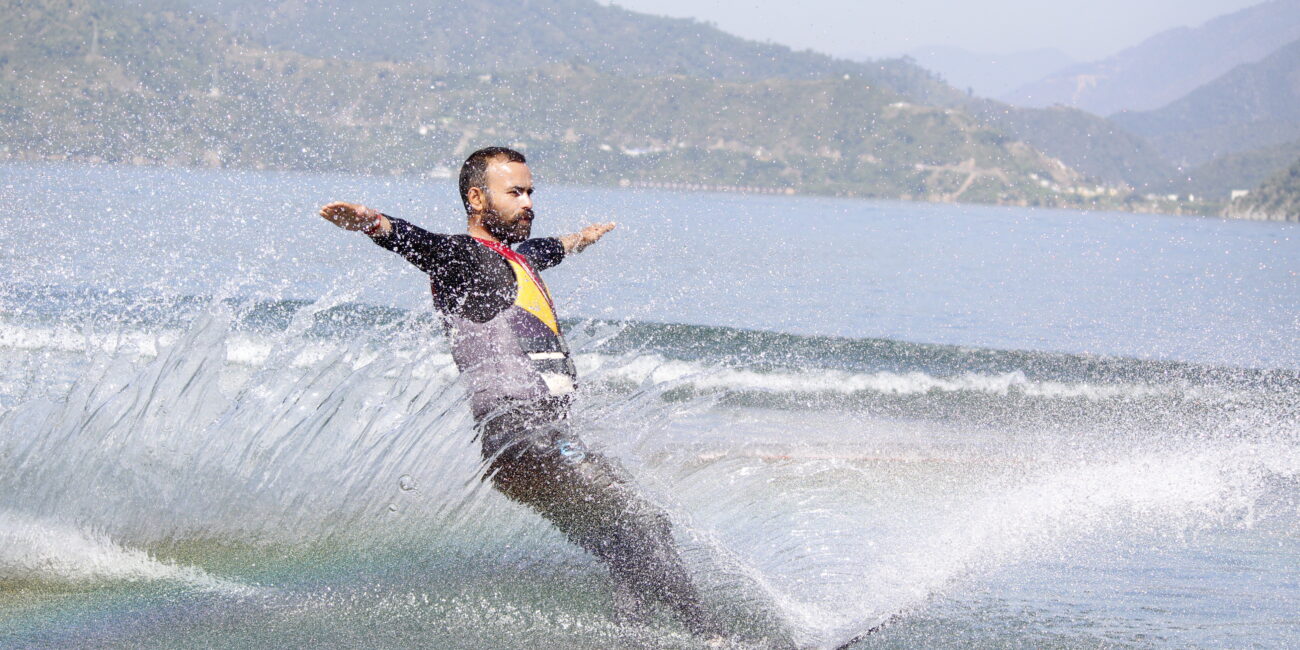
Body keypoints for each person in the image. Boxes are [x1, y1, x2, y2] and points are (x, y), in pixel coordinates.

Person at [319, 147, 720, 637]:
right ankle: (711, 637)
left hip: (537, 441)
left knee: (624, 541)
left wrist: (582, 239)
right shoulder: (463, 256)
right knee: (644, 521)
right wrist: (372, 222)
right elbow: (418, 243)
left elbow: (551, 248)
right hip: (525, 435)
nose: (528, 202)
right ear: (476, 198)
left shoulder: (519, 256)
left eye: (530, 192)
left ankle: (635, 633)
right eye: (515, 192)